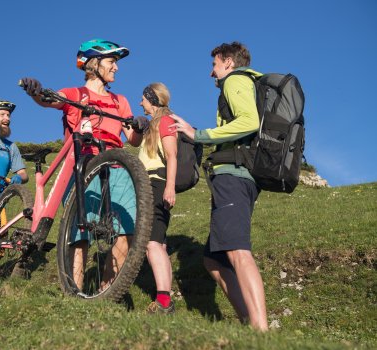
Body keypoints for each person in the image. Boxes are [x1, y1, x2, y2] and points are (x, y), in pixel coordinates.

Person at [19, 39, 148, 290]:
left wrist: (140, 126)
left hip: (116, 165)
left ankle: (106, 291)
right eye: (112, 62)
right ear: (94, 63)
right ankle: (75, 291)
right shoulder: (75, 94)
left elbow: (132, 139)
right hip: (84, 164)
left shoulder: (120, 101)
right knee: (81, 233)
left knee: (129, 231)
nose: (116, 68)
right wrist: (35, 90)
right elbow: (49, 100)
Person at [170, 42, 267, 331]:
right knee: (214, 260)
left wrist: (198, 134)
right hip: (234, 175)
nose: (212, 72)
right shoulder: (245, 83)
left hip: (234, 176)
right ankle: (249, 322)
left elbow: (249, 121)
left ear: (227, 61)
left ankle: (260, 330)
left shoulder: (236, 80)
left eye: (214, 64)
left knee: (237, 251)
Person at [138, 83, 177, 314]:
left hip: (157, 183)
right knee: (159, 244)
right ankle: (164, 298)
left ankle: (163, 301)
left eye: (143, 98)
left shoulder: (165, 121)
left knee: (152, 244)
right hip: (151, 184)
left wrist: (169, 187)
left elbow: (172, 155)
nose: (140, 102)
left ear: (151, 99)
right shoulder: (152, 125)